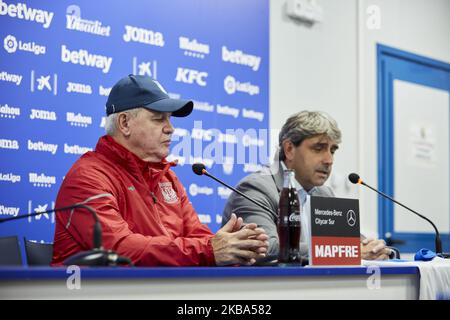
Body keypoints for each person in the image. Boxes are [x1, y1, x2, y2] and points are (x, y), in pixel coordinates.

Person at [51, 74, 268, 267]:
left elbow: (198, 236)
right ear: (124, 123)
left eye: (170, 118)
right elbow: (119, 250)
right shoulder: (88, 178)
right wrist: (210, 251)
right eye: (158, 118)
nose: (170, 128)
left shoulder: (167, 177)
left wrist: (234, 248)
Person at [222, 110, 391, 262]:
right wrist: (345, 251)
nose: (329, 160)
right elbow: (265, 247)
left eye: (332, 150)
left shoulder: (324, 194)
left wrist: (375, 249)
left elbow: (354, 245)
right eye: (319, 148)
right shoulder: (255, 189)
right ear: (289, 149)